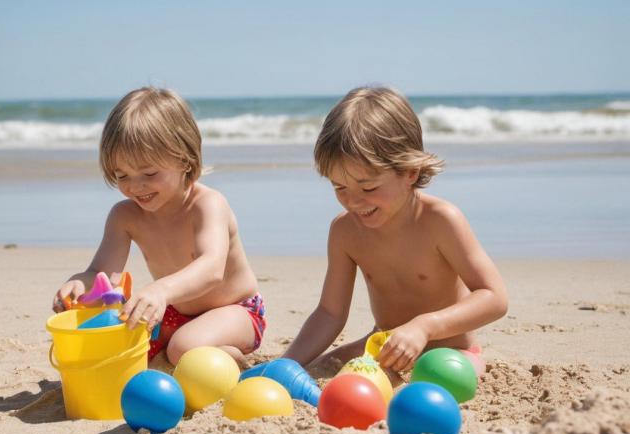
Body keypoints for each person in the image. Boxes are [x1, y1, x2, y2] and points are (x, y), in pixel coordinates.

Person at [282, 86, 507, 380]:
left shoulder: (441, 221)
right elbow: (330, 313)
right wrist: (288, 363)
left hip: (451, 351)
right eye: (339, 187)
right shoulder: (344, 232)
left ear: (409, 172)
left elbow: (494, 297)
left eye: (368, 187)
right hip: (384, 348)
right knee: (320, 369)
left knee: (441, 379)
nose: (353, 201)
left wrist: (424, 326)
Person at [52, 87, 265, 367]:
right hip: (175, 314)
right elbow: (100, 273)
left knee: (182, 348)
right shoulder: (125, 216)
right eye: (122, 175)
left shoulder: (207, 205)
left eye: (149, 173)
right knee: (121, 346)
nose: (135, 186)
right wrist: (80, 283)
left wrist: (161, 290)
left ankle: (235, 360)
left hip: (236, 312)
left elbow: (212, 268)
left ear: (184, 159)